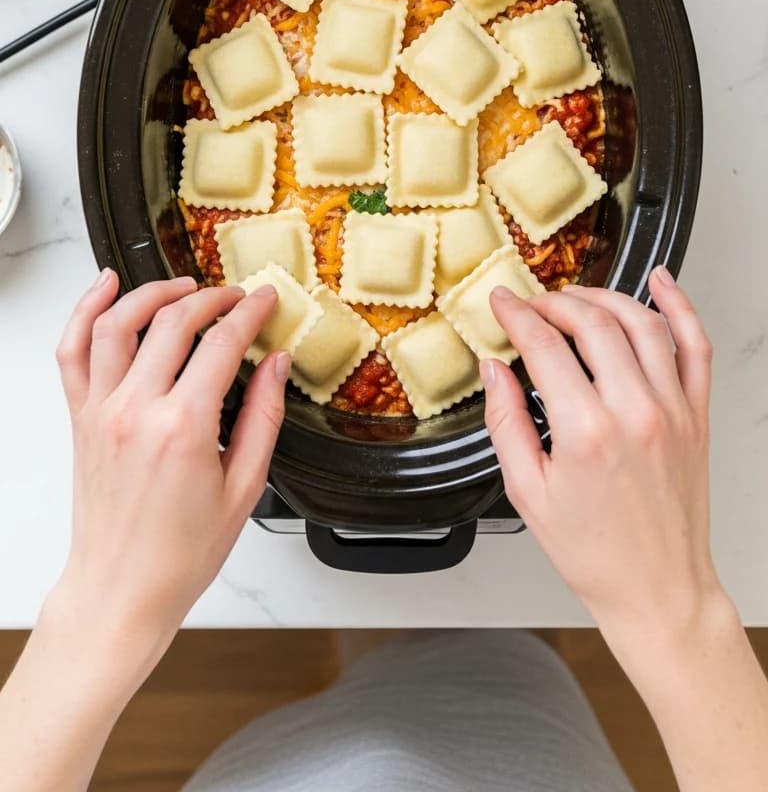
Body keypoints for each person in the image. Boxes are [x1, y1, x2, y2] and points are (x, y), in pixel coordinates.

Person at [0, 268, 766, 792]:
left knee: (442, 663)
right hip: (528, 743)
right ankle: (430, 651)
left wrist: (103, 605)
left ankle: (397, 653)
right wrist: (677, 612)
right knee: (487, 666)